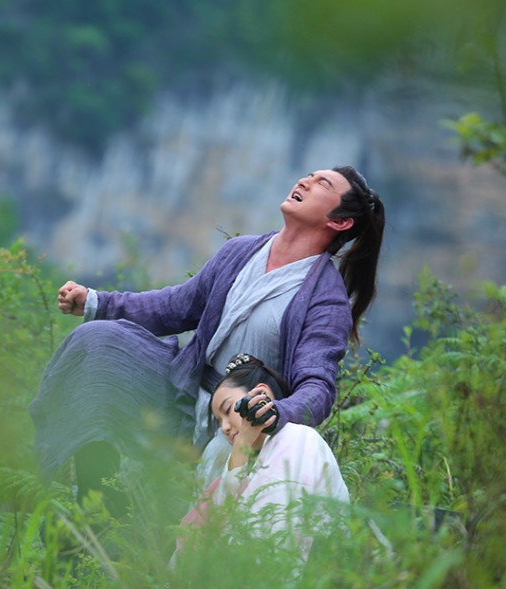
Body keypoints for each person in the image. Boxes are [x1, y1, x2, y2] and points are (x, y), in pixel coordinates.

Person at [28, 166, 384, 507]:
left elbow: (317, 386)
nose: (306, 181)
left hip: (238, 425)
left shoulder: (326, 300)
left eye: (322, 183)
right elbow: (177, 306)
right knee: (99, 341)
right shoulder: (240, 251)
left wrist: (274, 412)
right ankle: (94, 499)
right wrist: (97, 302)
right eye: (309, 174)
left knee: (194, 517)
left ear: (339, 221)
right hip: (184, 394)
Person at [174, 354, 349, 569]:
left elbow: (274, 540)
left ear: (261, 395)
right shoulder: (236, 467)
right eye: (219, 421)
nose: (224, 427)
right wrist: (242, 445)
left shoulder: (298, 440)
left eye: (228, 410)